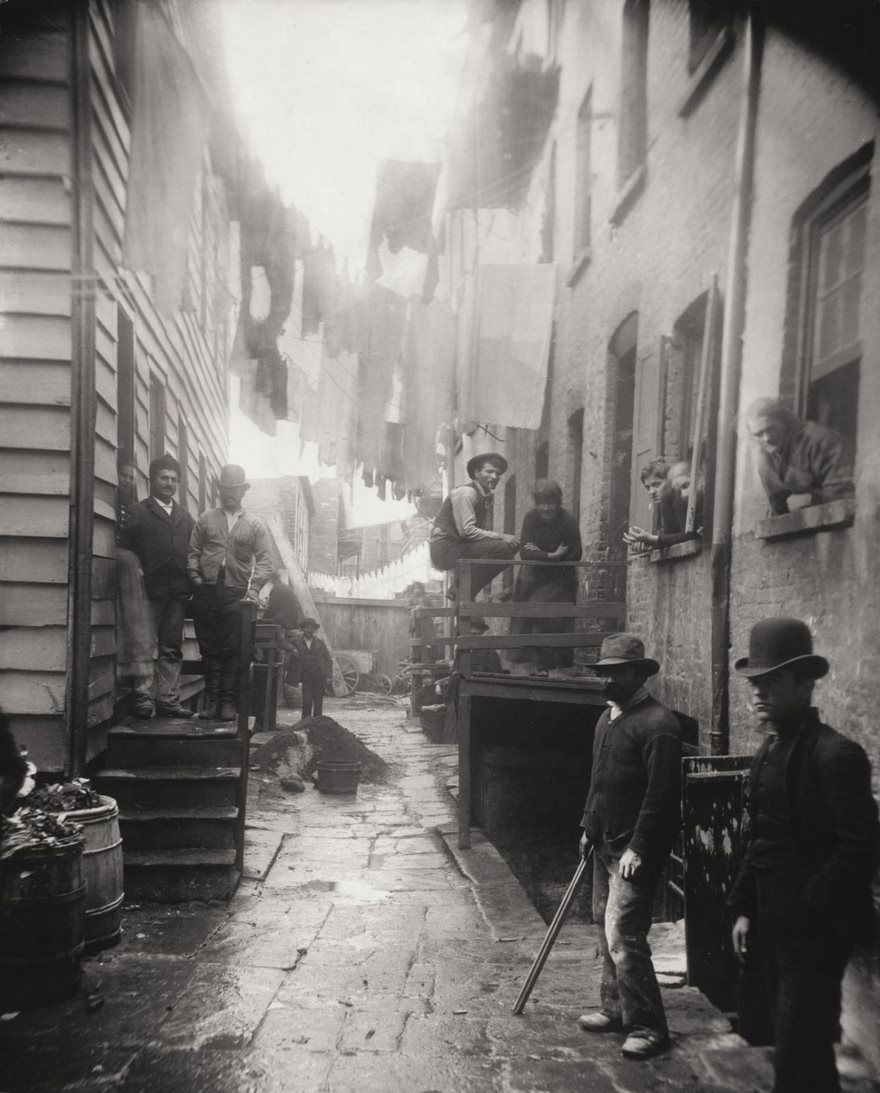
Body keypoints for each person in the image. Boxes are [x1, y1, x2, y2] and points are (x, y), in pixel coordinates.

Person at [729, 618, 878, 1093]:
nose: (758, 694)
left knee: (800, 1048)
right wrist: (746, 908)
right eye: (756, 683)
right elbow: (762, 838)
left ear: (806, 684)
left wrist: (808, 904)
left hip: (818, 930)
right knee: (787, 1046)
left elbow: (861, 848)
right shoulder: (769, 753)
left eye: (772, 682)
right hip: (776, 924)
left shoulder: (836, 756)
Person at [578, 633, 682, 1060]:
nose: (606, 681)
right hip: (605, 840)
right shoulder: (608, 719)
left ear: (638, 674)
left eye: (615, 673)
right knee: (604, 923)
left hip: (634, 850)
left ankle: (648, 1027)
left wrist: (639, 847)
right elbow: (598, 781)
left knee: (624, 934)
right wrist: (588, 825)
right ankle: (616, 1009)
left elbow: (661, 796)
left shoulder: (659, 725)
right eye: (603, 673)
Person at [187, 464, 272, 722]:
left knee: (233, 648)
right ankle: (213, 702)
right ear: (220, 491)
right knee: (209, 647)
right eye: (225, 489)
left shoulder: (255, 524)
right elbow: (193, 552)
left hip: (237, 594)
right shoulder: (206, 519)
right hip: (207, 591)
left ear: (242, 491)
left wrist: (254, 589)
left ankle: (227, 703)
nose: (229, 494)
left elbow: (266, 560)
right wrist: (195, 577)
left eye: (234, 489)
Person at [118, 454, 196, 719]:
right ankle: (142, 699)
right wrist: (136, 571)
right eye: (164, 478)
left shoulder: (186, 519)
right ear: (153, 480)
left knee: (171, 647)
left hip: (177, 593)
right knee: (144, 646)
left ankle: (168, 701)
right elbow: (123, 549)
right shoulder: (139, 513)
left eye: (174, 480)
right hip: (147, 593)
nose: (169, 483)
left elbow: (194, 553)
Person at [509, 480, 583, 675]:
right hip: (532, 578)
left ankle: (552, 668)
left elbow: (576, 552)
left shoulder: (568, 520)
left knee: (551, 618)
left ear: (558, 503)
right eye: (541, 503)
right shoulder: (531, 518)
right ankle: (535, 668)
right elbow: (525, 550)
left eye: (551, 503)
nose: (546, 508)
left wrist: (545, 556)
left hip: (559, 580)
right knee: (528, 620)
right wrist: (552, 556)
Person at [429, 452, 519, 600]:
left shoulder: (485, 496)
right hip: (444, 549)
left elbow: (479, 534)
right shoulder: (467, 493)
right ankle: (461, 590)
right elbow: (467, 531)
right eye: (489, 471)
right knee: (504, 548)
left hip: (458, 546)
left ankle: (461, 590)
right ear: (477, 473)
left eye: (498, 473)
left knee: (511, 546)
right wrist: (501, 537)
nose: (495, 476)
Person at [746, 398, 853, 515]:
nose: (767, 438)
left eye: (771, 429)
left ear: (785, 421)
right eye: (758, 434)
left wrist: (810, 499)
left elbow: (846, 493)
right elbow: (778, 508)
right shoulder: (766, 458)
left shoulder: (820, 442)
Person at [624, 460, 701, 551]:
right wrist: (648, 543)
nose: (651, 492)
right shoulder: (665, 504)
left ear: (670, 481)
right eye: (648, 487)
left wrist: (654, 540)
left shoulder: (681, 498)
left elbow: (691, 535)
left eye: (656, 484)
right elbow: (673, 537)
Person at [287, 618, 333, 720]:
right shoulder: (296, 642)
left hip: (318, 675)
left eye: (312, 628)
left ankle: (318, 724)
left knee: (318, 701)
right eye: (307, 627)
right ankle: (305, 723)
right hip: (306, 676)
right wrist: (293, 649)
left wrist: (329, 676)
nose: (309, 630)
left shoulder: (320, 643)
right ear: (303, 629)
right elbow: (282, 643)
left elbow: (328, 660)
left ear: (314, 630)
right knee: (307, 701)